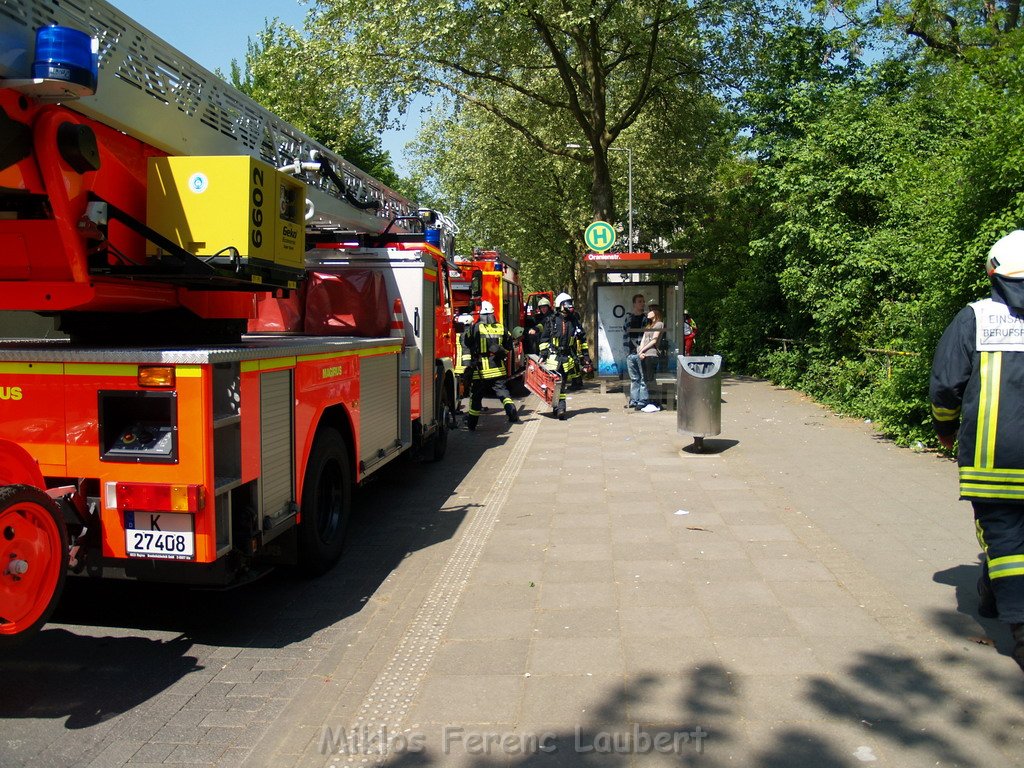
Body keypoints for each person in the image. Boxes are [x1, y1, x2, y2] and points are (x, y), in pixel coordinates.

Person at [930, 229, 1024, 673]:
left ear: (992, 271)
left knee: (1005, 540)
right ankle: (992, 593)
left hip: (995, 460)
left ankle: (1021, 629)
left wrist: (945, 430)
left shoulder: (976, 318)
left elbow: (947, 385)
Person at [462, 300, 518, 430]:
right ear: (493, 313)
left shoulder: (475, 327)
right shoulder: (501, 328)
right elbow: (509, 346)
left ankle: (472, 424)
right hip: (497, 368)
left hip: (480, 370)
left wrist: (467, 364)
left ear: (481, 314)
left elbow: (467, 343)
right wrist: (500, 352)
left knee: (475, 397)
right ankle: (511, 411)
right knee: (503, 392)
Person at [540, 292, 585, 420]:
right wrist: (543, 354)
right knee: (555, 384)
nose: (570, 306)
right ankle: (557, 406)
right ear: (561, 305)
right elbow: (544, 339)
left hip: (567, 357)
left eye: (571, 303)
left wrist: (585, 356)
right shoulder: (552, 320)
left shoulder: (574, 321)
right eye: (567, 303)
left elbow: (582, 338)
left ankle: (561, 407)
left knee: (562, 383)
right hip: (554, 357)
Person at [626, 305, 665, 413]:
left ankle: (655, 402)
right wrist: (640, 352)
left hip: (651, 354)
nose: (648, 312)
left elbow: (654, 340)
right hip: (644, 354)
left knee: (650, 379)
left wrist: (642, 350)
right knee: (647, 379)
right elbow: (644, 339)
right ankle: (648, 401)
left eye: (650, 311)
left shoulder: (659, 324)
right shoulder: (649, 325)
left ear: (656, 312)